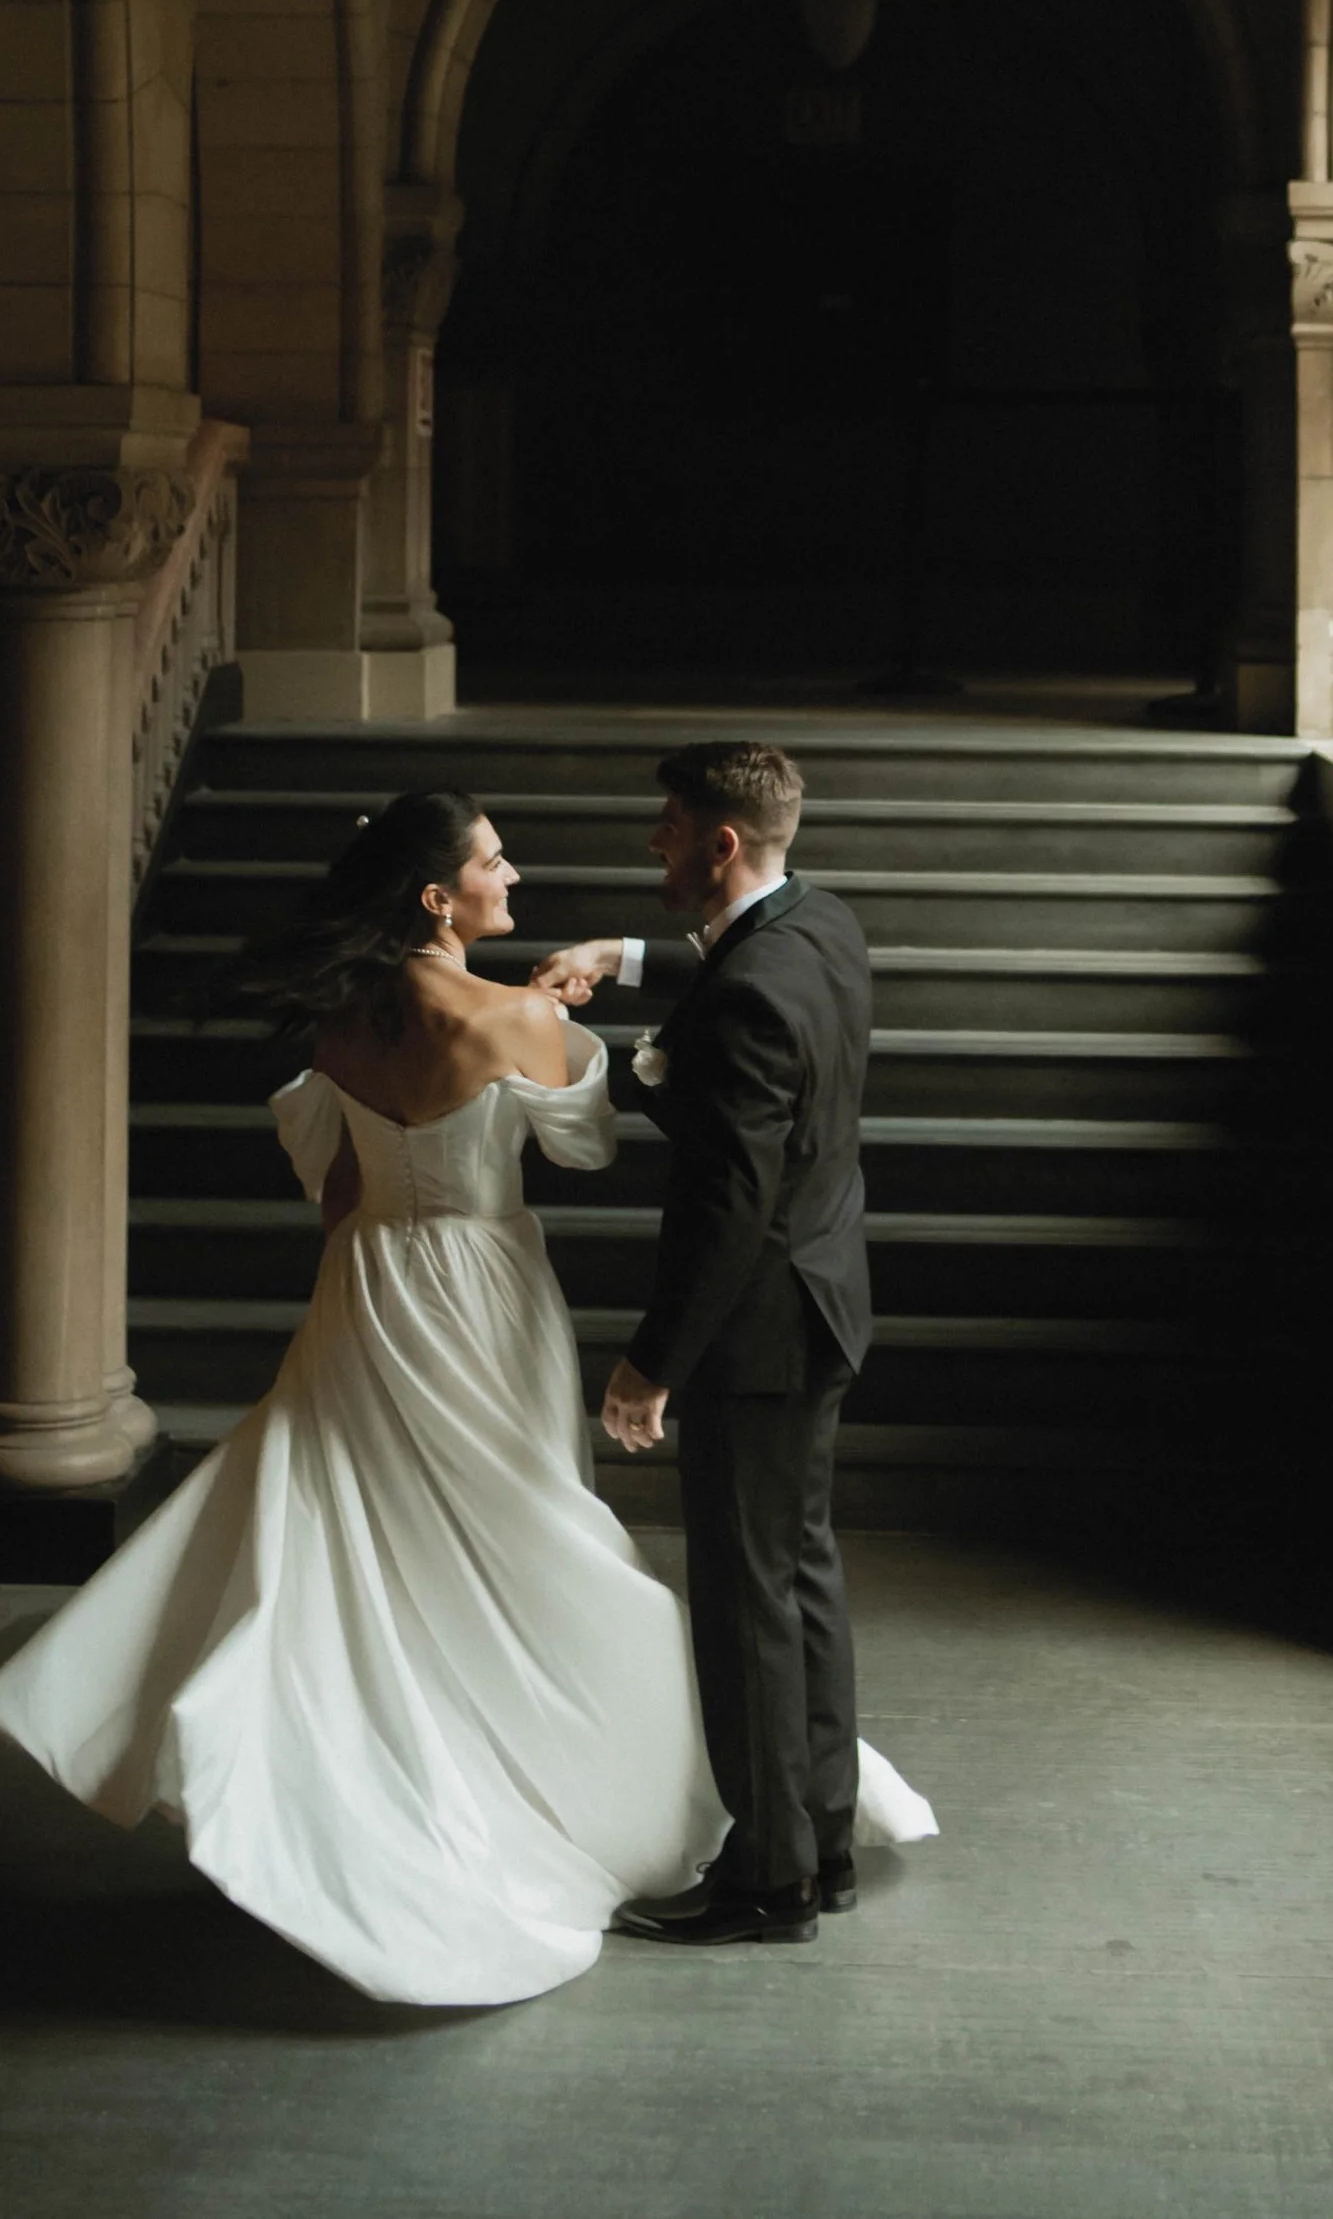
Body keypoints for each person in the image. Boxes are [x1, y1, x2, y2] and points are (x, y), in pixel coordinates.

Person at [0, 786, 928, 2005]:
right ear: (440, 898)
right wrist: (559, 1023)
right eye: (493, 862)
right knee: (516, 1532)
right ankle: (635, 1796)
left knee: (372, 1541)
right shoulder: (505, 1017)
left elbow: (333, 1188)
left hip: (366, 1286)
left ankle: (377, 1778)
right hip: (482, 1289)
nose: (513, 875)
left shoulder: (337, 1016)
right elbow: (591, 1141)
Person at [542, 739, 889, 1950]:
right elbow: (741, 968)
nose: (655, 844)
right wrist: (622, 954)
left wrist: (651, 1364)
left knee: (746, 1607)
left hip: (754, 1330)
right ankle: (822, 1841)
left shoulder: (744, 996)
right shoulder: (823, 925)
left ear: (720, 843)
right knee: (800, 1581)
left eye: (669, 826)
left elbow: (725, 1206)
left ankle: (766, 1881)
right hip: (827, 1299)